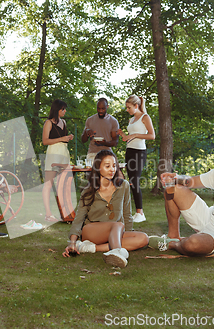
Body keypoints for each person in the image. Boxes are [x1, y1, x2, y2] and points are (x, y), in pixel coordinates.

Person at [62, 150, 149, 267]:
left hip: (115, 231)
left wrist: (129, 233)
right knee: (117, 224)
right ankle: (118, 252)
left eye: (114, 166)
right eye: (107, 166)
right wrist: (72, 242)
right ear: (98, 167)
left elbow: (127, 213)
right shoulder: (88, 191)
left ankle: (91, 248)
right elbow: (79, 219)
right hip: (92, 231)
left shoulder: (124, 186)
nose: (112, 169)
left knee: (143, 238)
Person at [117, 95, 155, 223]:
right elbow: (127, 139)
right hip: (130, 151)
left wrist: (136, 135)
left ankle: (140, 212)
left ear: (136, 106)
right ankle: (138, 213)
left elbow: (152, 135)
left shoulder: (145, 117)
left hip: (139, 152)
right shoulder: (131, 120)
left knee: (135, 181)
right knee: (131, 182)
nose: (127, 109)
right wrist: (123, 134)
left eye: (129, 107)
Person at [42, 99, 74, 222]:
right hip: (53, 155)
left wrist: (68, 138)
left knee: (64, 185)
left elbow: (62, 139)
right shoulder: (48, 123)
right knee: (48, 184)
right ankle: (48, 214)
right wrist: (62, 138)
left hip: (64, 154)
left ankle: (65, 213)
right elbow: (45, 141)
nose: (65, 111)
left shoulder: (64, 122)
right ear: (57, 110)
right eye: (63, 109)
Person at [81, 98, 119, 163]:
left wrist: (105, 143)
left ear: (107, 107)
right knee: (90, 173)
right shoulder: (90, 120)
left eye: (103, 109)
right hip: (92, 154)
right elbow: (83, 140)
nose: (100, 111)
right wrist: (86, 132)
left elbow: (115, 142)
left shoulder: (113, 121)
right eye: (98, 108)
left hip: (107, 153)